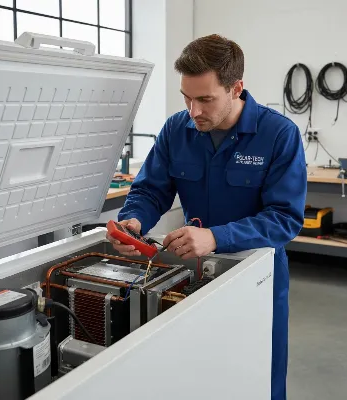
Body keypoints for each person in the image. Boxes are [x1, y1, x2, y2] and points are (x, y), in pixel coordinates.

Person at [106, 34, 307, 400]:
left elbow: (284, 219)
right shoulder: (175, 130)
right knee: (200, 371)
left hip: (257, 279)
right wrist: (134, 221)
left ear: (236, 89)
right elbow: (150, 191)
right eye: (186, 97)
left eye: (205, 99)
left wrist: (216, 237)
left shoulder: (279, 135)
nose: (193, 111)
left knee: (261, 371)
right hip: (193, 275)